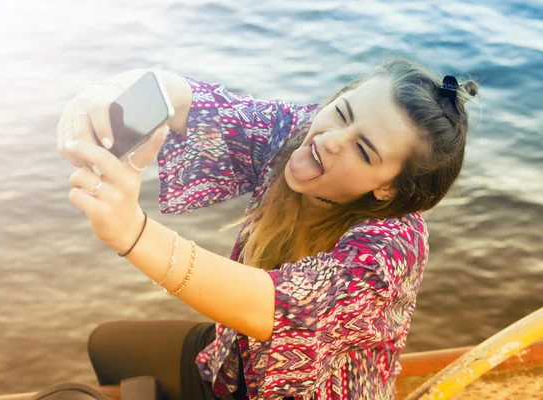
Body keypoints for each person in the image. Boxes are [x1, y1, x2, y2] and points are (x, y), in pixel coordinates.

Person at [56, 56, 480, 400]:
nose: (331, 139)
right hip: (229, 364)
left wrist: (132, 232)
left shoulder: (392, 249)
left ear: (387, 189)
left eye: (363, 150)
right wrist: (108, 99)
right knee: (107, 345)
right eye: (343, 112)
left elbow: (280, 308)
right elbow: (189, 99)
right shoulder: (299, 133)